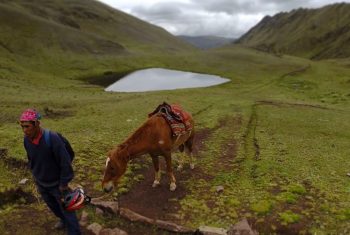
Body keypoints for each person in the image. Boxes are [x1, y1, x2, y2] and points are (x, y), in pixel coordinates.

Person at [19, 108, 81, 235]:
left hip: (58, 184)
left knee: (67, 210)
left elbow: (65, 162)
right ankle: (63, 221)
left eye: (27, 126)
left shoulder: (52, 138)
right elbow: (31, 158)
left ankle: (74, 231)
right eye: (22, 127)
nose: (24, 130)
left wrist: (63, 184)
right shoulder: (26, 140)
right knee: (53, 207)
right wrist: (35, 173)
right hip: (41, 182)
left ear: (36, 124)